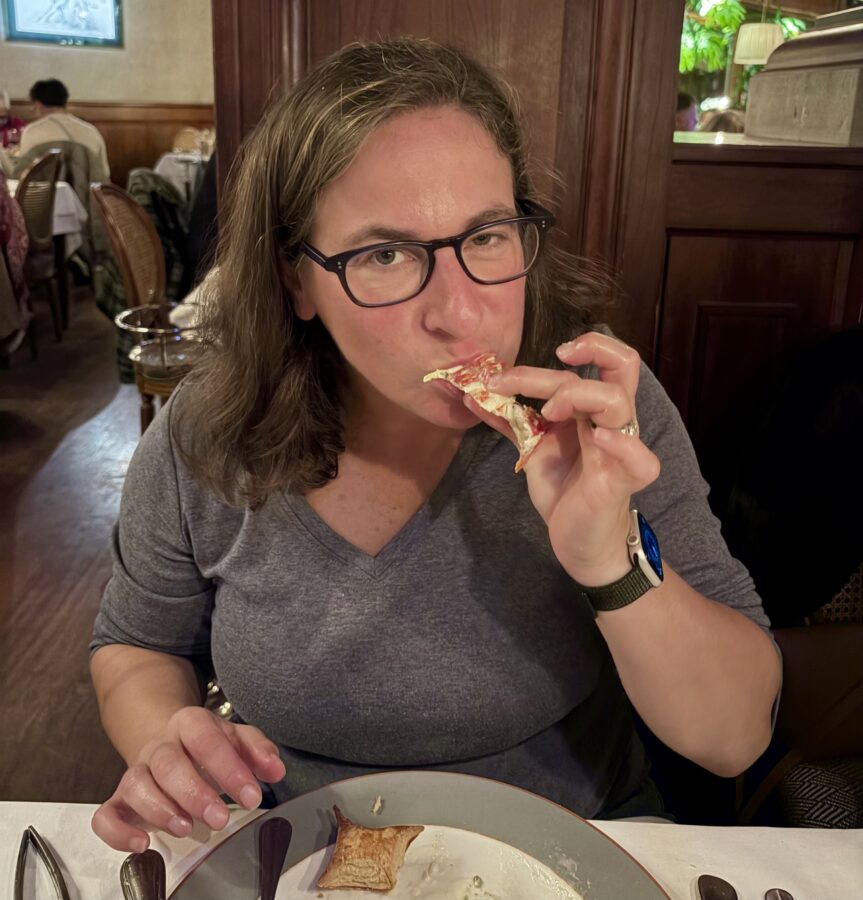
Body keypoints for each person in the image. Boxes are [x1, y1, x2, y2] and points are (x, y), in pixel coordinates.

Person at [89, 37, 781, 853]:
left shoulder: (601, 411)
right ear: (295, 279)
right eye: (384, 254)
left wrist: (609, 557)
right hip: (296, 852)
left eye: (486, 237)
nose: (459, 313)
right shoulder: (205, 432)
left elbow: (732, 737)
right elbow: (136, 646)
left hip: (565, 852)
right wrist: (167, 740)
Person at [20, 78, 110, 182]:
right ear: (65, 102)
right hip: (87, 196)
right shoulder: (91, 131)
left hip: (46, 197)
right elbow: (104, 173)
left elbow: (22, 174)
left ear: (37, 105)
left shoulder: (32, 131)